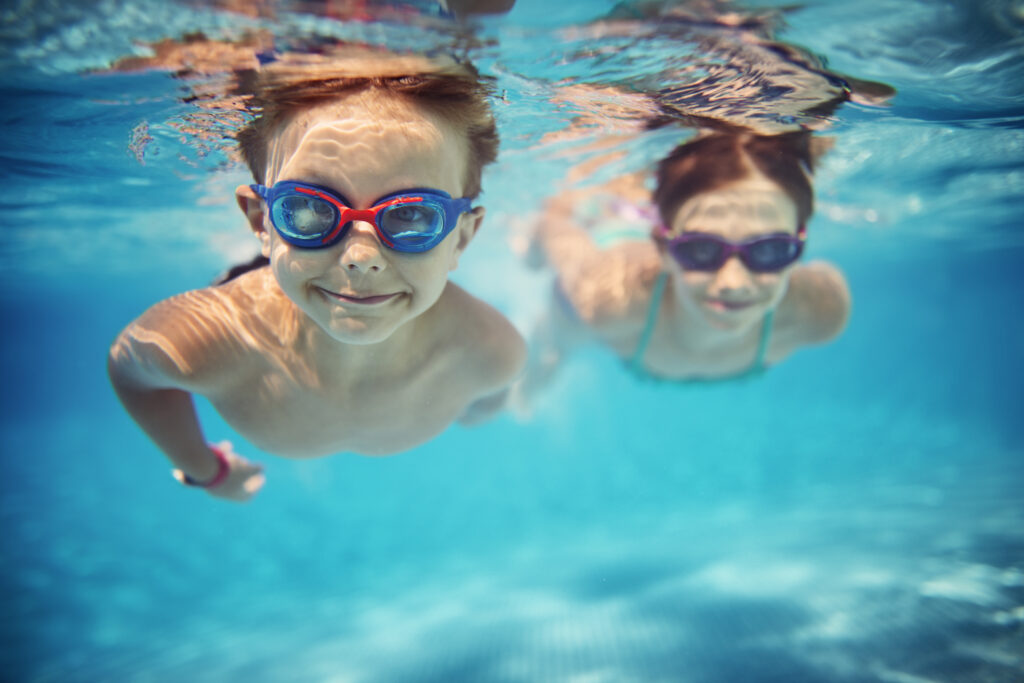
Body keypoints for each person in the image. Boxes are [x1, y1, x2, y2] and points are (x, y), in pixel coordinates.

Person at [108, 51, 525, 502]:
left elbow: (490, 398)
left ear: (462, 238)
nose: (361, 258)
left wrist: (479, 405)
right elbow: (130, 371)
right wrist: (203, 469)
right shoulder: (206, 341)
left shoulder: (490, 353)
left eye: (411, 215)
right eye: (308, 208)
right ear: (260, 222)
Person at [517, 131, 849, 403]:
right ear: (662, 248)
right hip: (612, 242)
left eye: (770, 250)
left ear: (799, 246)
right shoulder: (609, 297)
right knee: (560, 341)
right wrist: (533, 258)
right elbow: (554, 225)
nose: (733, 282)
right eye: (702, 250)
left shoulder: (820, 311)